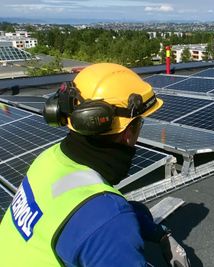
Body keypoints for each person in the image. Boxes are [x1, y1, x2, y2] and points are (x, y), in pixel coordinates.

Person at [0, 63, 190, 267]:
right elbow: (103, 220)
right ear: (127, 133)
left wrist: (156, 232)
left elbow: (93, 213)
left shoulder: (49, 159)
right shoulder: (108, 221)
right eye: (139, 123)